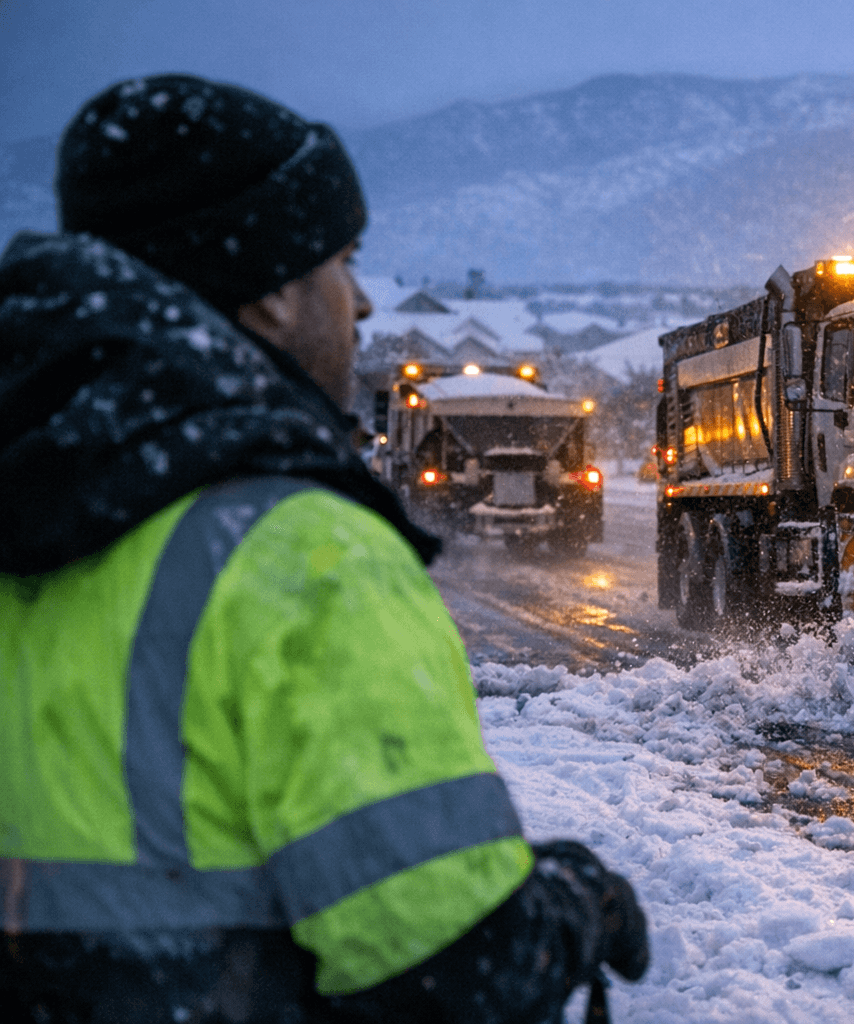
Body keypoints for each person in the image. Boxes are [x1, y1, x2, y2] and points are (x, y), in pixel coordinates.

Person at [0, 74, 647, 1023]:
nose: (364, 308)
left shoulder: (38, 502)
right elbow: (455, 975)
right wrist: (576, 908)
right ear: (268, 297)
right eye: (342, 261)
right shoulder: (296, 552)